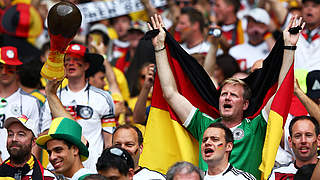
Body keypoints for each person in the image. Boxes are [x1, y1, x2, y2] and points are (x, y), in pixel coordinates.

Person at [148, 14, 304, 178]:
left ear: (245, 104)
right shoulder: (204, 124)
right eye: (224, 94)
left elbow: (281, 91)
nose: (227, 98)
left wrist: (289, 47)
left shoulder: (255, 127)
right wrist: (159, 47)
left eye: (234, 95)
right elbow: (170, 93)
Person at [41, 44, 116, 170]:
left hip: (92, 168)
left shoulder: (103, 98)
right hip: (59, 170)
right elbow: (44, 135)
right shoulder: (51, 98)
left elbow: (109, 142)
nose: (71, 63)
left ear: (86, 65)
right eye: (67, 60)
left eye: (76, 60)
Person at [0, 46, 40, 162]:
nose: (4, 72)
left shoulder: (31, 102)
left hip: (19, 167)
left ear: (17, 70)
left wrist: (31, 172)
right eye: (1, 67)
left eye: (10, 68)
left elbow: (35, 141)